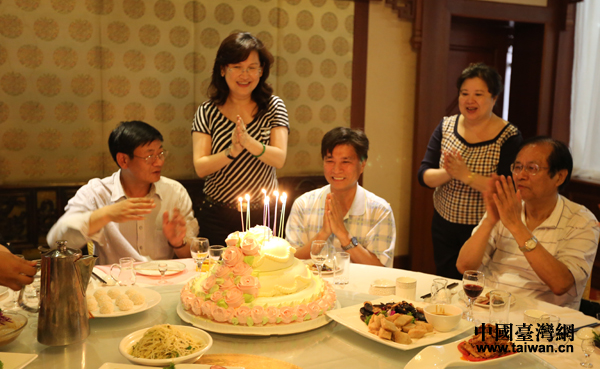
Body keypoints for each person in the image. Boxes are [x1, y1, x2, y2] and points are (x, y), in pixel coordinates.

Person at [456, 137, 600, 309]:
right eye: (517, 167)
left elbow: (561, 284)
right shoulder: (507, 207)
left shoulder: (582, 221)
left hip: (542, 318)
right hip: (489, 308)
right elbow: (464, 266)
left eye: (532, 168)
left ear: (559, 177)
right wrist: (490, 221)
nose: (520, 176)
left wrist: (517, 226)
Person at [418, 63, 523, 279]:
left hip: (485, 228)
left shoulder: (509, 136)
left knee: (478, 283)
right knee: (446, 281)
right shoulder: (446, 126)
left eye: (478, 94)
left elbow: (507, 188)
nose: (469, 100)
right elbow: (424, 175)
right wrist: (449, 173)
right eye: (464, 93)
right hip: (443, 224)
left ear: (494, 98)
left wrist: (466, 175)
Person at [47, 121, 199, 265]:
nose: (159, 162)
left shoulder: (175, 192)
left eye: (160, 153)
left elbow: (194, 257)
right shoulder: (96, 193)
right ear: (123, 160)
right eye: (150, 156)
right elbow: (56, 241)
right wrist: (105, 214)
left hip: (163, 278)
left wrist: (178, 243)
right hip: (114, 280)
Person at [192, 32, 289, 245]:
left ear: (261, 71)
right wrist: (231, 151)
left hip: (263, 215)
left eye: (252, 67)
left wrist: (248, 143)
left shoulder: (274, 107)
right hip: (217, 214)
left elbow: (279, 158)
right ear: (222, 69)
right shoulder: (207, 111)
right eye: (237, 67)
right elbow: (200, 167)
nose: (245, 75)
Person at [285, 127, 396, 267]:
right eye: (330, 161)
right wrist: (323, 234)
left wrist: (343, 234)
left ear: (362, 164)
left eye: (345, 162)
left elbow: (382, 269)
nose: (336, 169)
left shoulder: (380, 211)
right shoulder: (303, 204)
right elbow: (290, 261)